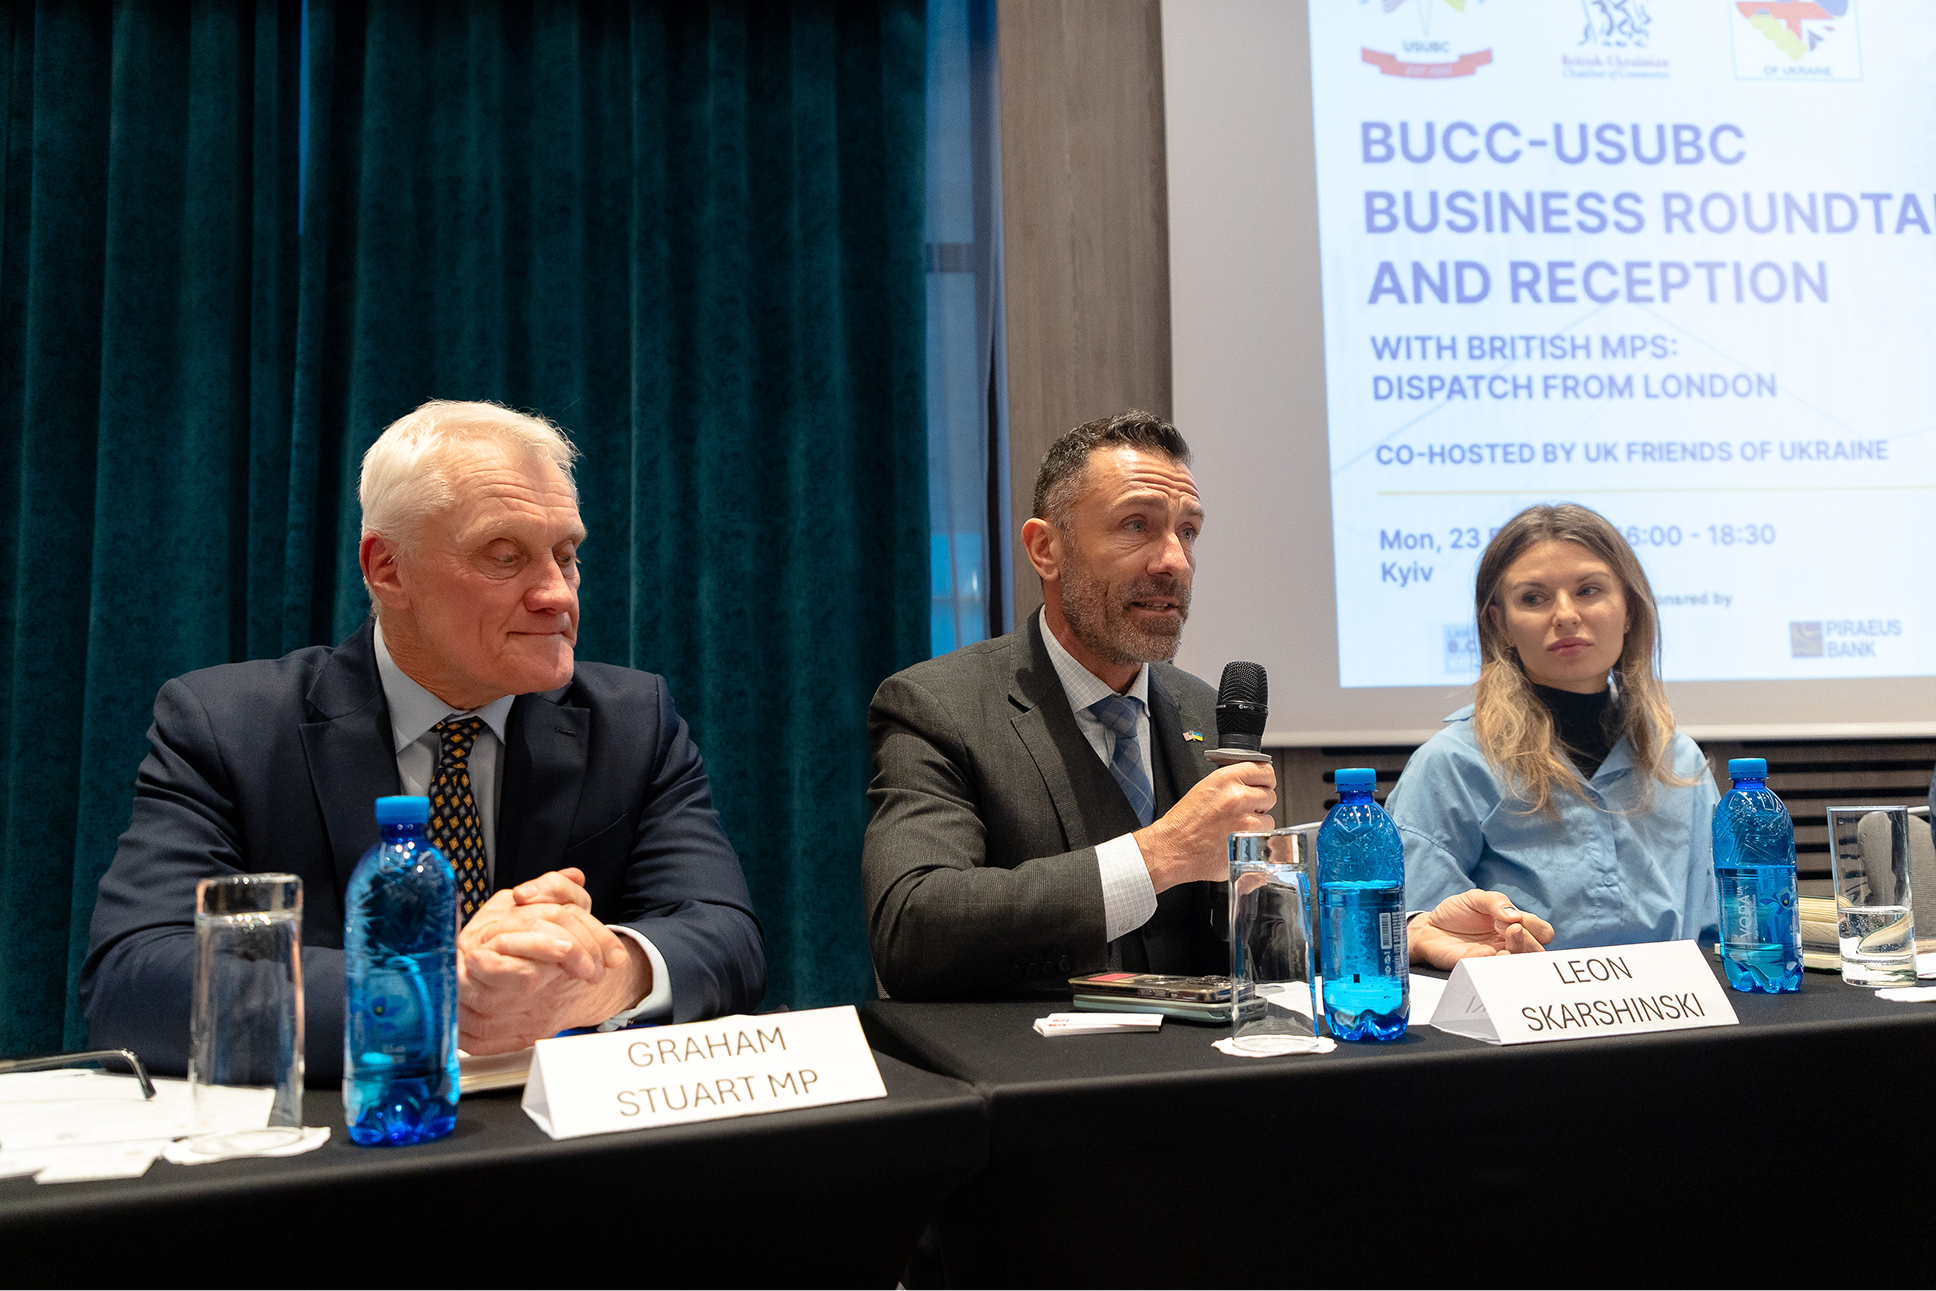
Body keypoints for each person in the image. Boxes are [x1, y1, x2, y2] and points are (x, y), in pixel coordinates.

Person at [82, 401, 764, 1080]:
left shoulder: (633, 721)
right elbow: (134, 978)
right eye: (506, 557)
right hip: (344, 1135)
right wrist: (437, 990)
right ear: (388, 569)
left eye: (566, 555)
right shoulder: (229, 727)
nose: (557, 595)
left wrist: (605, 973)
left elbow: (725, 936)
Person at [863, 410, 1547, 999]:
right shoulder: (940, 706)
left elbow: (1257, 938)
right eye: (1137, 525)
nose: (1175, 562)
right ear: (1046, 549)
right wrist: (1161, 853)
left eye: (1188, 531)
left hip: (1206, 1081)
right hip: (1035, 1090)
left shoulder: (1203, 711)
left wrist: (1402, 931)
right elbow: (911, 927)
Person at [1387, 502, 1720, 950]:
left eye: (1588, 590)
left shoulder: (1678, 762)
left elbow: (1720, 928)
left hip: (1679, 996)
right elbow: (1413, 928)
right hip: (1512, 994)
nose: (1565, 614)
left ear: (1629, 610)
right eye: (1533, 598)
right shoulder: (1452, 764)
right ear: (1500, 624)